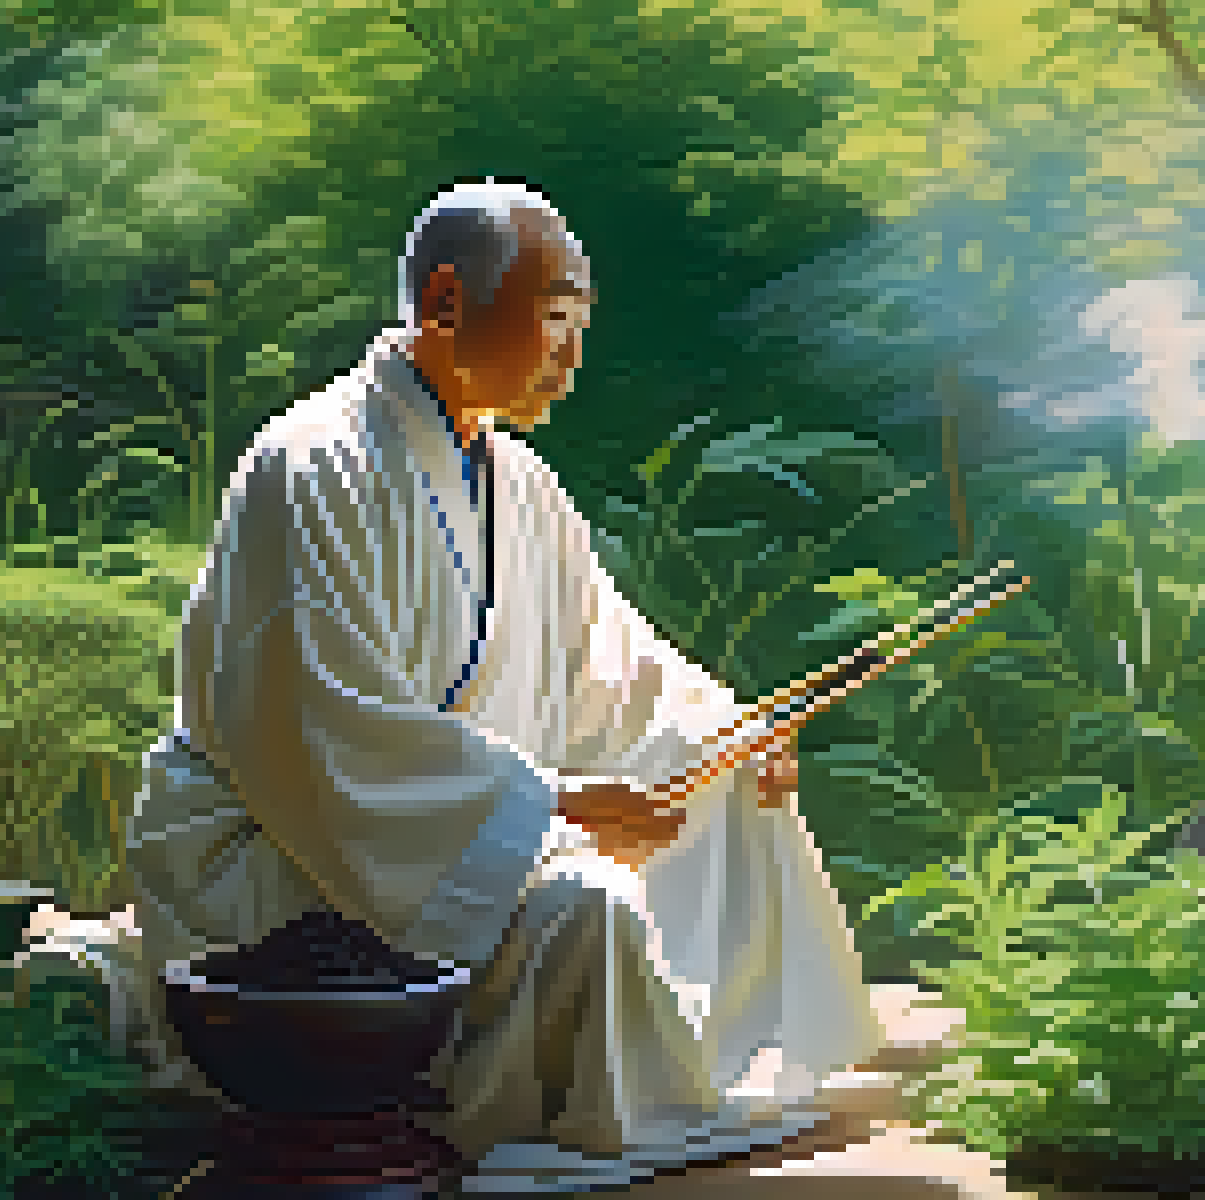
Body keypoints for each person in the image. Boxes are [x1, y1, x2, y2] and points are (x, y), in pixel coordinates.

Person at [118, 180, 885, 1172]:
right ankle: (493, 1109)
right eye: (557, 319)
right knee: (592, 910)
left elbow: (610, 669)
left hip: (446, 837)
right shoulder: (312, 465)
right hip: (285, 862)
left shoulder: (519, 485)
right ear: (444, 303)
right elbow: (320, 731)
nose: (574, 356)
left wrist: (735, 736)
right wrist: (554, 807)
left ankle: (712, 1056)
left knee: (722, 790)